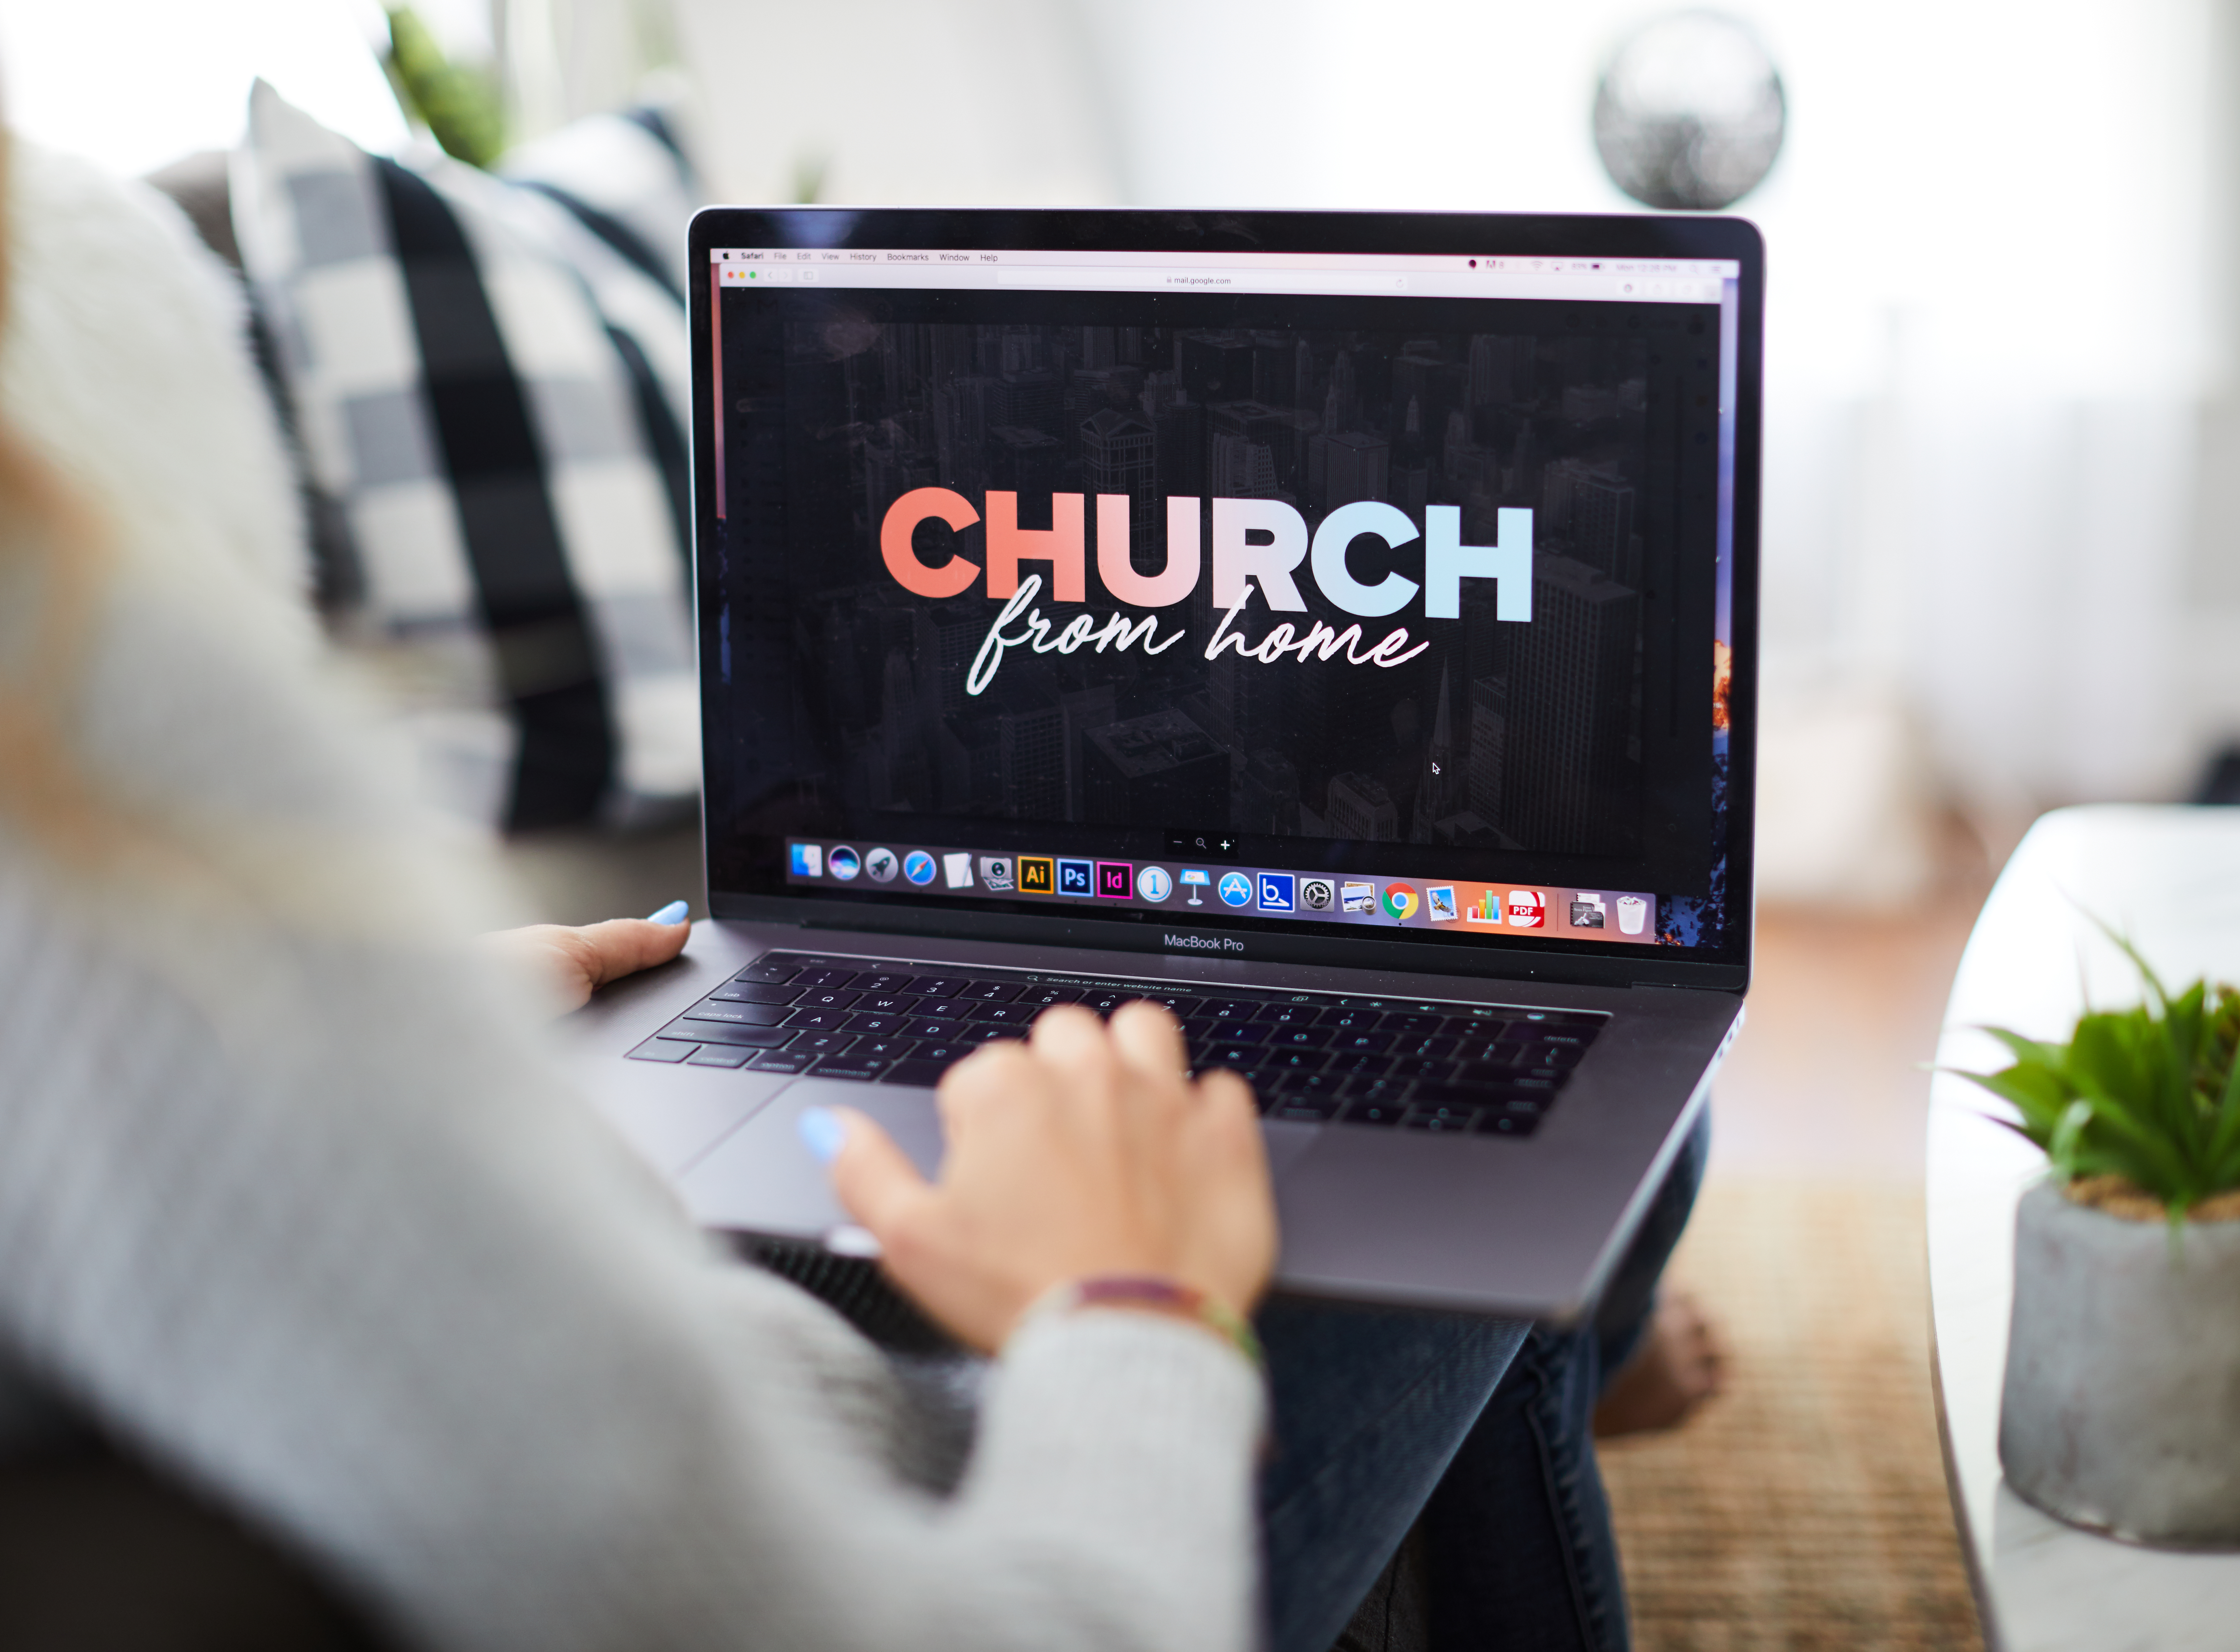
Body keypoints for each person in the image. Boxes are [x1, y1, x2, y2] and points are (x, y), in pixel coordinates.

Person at [0, 128, 1711, 1652]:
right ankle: (1590, 1322)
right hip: (865, 1474)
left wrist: (371, 1019)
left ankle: (1582, 1314)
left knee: (1558, 1103)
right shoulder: (68, 694)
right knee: (1549, 1118)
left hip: (602, 1363)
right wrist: (1128, 1304)